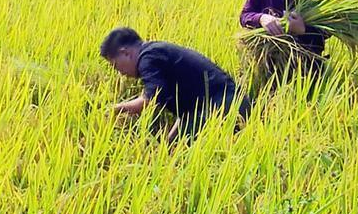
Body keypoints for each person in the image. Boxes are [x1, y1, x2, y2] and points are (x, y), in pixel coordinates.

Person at [102, 27, 251, 141]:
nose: (120, 73)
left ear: (125, 53)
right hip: (230, 104)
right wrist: (169, 143)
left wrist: (113, 110)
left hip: (224, 106)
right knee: (173, 151)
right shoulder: (156, 51)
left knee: (187, 156)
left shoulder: (147, 58)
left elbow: (152, 99)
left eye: (116, 65)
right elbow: (186, 113)